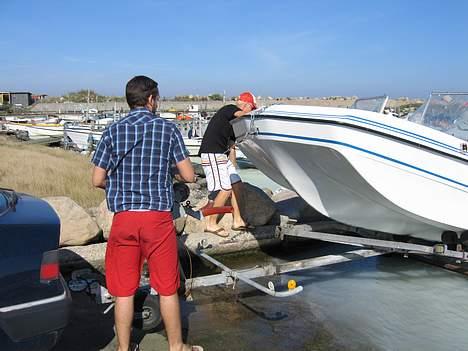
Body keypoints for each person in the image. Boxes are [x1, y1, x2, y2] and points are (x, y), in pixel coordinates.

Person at [91, 75, 203, 351]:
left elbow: (97, 179)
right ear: (151, 99)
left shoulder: (112, 131)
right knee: (166, 287)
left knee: (124, 291)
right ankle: (177, 346)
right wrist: (169, 173)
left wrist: (120, 183)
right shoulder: (168, 130)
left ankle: (123, 347)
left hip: (125, 219)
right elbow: (189, 175)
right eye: (158, 98)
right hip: (156, 219)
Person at [198, 91, 257, 237]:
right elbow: (242, 115)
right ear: (246, 105)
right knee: (224, 189)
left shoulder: (233, 126)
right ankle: (211, 223)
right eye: (252, 108)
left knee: (236, 184)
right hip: (212, 154)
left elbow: (231, 147)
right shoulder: (229, 109)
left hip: (222, 156)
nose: (252, 112)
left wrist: (234, 167)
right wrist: (257, 118)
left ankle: (237, 220)